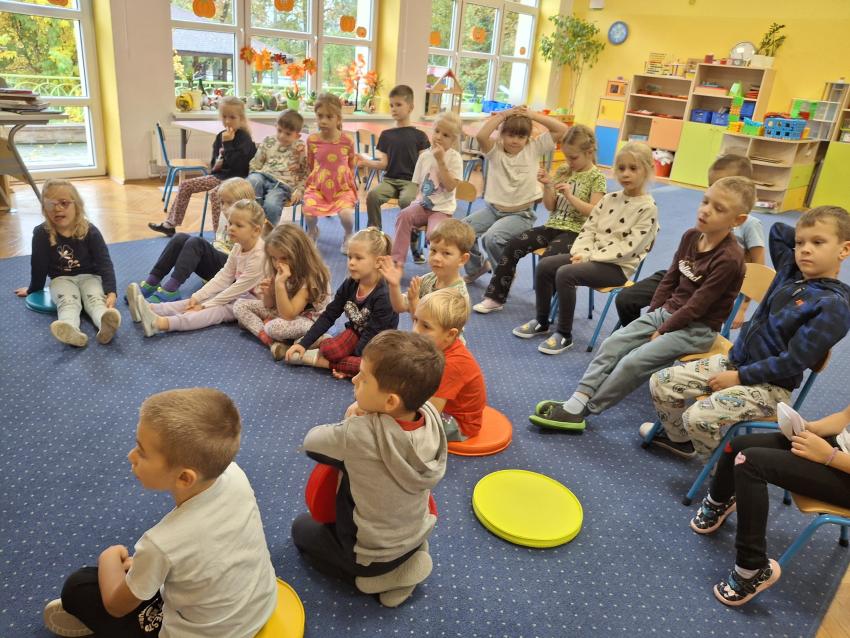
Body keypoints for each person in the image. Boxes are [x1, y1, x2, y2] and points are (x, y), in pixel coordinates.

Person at [43, 388, 277, 637]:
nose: (131, 456)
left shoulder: (161, 543)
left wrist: (108, 557)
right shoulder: (235, 475)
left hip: (204, 633)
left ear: (184, 478)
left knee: (78, 586)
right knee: (141, 574)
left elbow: (116, 606)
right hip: (260, 605)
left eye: (141, 452)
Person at [532, 176, 755, 430]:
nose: (705, 210)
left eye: (719, 209)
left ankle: (587, 410)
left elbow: (698, 305)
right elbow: (670, 279)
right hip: (668, 313)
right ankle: (577, 400)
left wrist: (663, 329)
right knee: (613, 343)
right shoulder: (691, 236)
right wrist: (654, 315)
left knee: (634, 361)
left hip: (697, 328)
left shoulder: (729, 258)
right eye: (705, 201)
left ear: (738, 220)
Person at [646, 206, 850, 460]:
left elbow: (792, 362)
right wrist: (808, 236)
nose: (805, 249)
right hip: (736, 362)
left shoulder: (833, 306)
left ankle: (723, 470)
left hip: (770, 387)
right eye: (800, 243)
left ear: (844, 250)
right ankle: (680, 441)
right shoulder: (791, 270)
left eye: (818, 242)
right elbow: (778, 231)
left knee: (697, 416)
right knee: (661, 382)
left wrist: (740, 377)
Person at [291, 330, 446, 608]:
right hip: (417, 531)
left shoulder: (358, 434)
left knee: (301, 529)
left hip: (368, 555)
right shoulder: (431, 416)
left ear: (390, 402)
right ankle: (409, 557)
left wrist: (351, 417)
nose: (354, 380)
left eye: (363, 378)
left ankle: (375, 580)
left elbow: (311, 442)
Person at [690, 400, 850, 606]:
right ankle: (719, 502)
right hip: (836, 450)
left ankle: (751, 569)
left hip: (840, 466)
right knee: (738, 446)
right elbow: (845, 416)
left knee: (749, 462)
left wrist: (829, 456)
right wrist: (811, 429)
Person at [512, 142, 658, 355]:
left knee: (566, 273)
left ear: (648, 170)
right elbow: (589, 229)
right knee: (545, 265)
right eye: (621, 168)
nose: (626, 174)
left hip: (616, 267)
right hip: (590, 258)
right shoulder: (609, 199)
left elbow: (628, 247)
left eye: (633, 168)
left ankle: (564, 334)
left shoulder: (648, 208)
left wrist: (590, 257)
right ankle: (542, 321)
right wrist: (581, 253)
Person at [616, 154, 765, 329]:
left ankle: (648, 337)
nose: (715, 193)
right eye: (711, 186)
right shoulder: (704, 219)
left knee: (679, 320)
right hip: (686, 274)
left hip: (710, 288)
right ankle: (639, 335)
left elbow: (758, 268)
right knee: (626, 299)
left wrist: (743, 307)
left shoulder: (750, 225)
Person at [473, 124, 607, 313]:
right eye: (567, 157)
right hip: (553, 226)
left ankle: (549, 308)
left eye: (573, 157)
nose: (569, 161)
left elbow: (594, 212)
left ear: (589, 152)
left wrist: (570, 196)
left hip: (577, 232)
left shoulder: (597, 178)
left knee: (549, 260)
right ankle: (495, 297)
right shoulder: (564, 170)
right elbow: (550, 206)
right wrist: (548, 186)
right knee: (513, 245)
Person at [126, 200, 265, 336]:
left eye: (239, 225)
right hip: (241, 294)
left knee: (216, 311)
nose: (231, 228)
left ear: (256, 230)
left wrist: (204, 306)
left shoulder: (259, 255)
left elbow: (236, 289)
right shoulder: (238, 246)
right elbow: (224, 277)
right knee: (195, 302)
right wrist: (197, 298)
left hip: (256, 303)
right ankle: (150, 308)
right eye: (230, 223)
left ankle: (159, 324)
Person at [462, 106, 569, 284]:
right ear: (502, 135)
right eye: (510, 135)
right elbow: (481, 135)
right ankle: (476, 268)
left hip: (521, 215)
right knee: (463, 231)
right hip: (493, 210)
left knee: (492, 238)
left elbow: (562, 129)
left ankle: (504, 275)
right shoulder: (495, 151)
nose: (515, 141)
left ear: (527, 138)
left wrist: (532, 115)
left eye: (521, 136)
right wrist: (503, 115)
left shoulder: (534, 148)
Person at [15, 178, 120, 347]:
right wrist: (33, 289)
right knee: (68, 302)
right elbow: (38, 265)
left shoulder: (90, 231)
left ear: (76, 205)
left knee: (95, 300)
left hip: (90, 277)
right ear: (45, 209)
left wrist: (111, 291)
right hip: (61, 279)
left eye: (64, 203)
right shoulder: (41, 233)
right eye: (51, 205)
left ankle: (105, 324)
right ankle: (70, 329)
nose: (57, 208)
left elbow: (104, 263)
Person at [284, 227, 398, 378]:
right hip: (356, 333)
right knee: (330, 350)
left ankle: (316, 360)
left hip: (378, 345)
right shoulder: (350, 284)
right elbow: (329, 315)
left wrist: (352, 360)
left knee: (369, 367)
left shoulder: (383, 295)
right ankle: (329, 358)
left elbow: (373, 336)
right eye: (350, 257)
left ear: (378, 262)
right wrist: (303, 344)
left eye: (358, 258)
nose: (351, 263)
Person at [135, 177, 256, 303]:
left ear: (246, 203)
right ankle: (152, 281)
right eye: (222, 203)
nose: (224, 208)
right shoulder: (226, 217)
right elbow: (220, 242)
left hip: (232, 273)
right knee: (180, 238)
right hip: (218, 266)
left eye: (229, 203)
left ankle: (171, 290)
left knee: (197, 243)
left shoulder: (250, 224)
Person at [150, 96, 256, 237]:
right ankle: (170, 224)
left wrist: (228, 144)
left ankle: (219, 236)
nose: (227, 121)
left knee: (216, 194)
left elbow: (239, 166)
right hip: (219, 177)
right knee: (186, 185)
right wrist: (219, 160)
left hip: (237, 180)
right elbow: (214, 165)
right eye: (224, 117)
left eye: (232, 117)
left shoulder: (244, 138)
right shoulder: (220, 136)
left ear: (241, 118)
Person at [233, 223, 331, 360]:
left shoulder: (311, 278)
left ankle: (310, 339)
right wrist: (268, 293)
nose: (278, 263)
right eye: (274, 258)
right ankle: (273, 343)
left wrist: (279, 285)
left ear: (300, 254)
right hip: (285, 312)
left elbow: (288, 315)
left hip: (310, 321)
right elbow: (269, 305)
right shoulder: (278, 269)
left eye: (284, 258)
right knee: (239, 305)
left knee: (274, 327)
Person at [361, 84, 431, 262]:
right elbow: (383, 164)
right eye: (391, 105)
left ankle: (414, 245)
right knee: (373, 195)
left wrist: (423, 186)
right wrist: (365, 162)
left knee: (407, 201)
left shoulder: (420, 136)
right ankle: (376, 239)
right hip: (390, 180)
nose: (394, 109)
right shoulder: (386, 135)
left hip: (410, 182)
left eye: (398, 104)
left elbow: (425, 164)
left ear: (411, 107)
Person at [389, 112, 463, 266]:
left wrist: (440, 161)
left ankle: (438, 266)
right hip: (422, 205)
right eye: (437, 131)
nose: (439, 137)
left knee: (434, 235)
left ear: (453, 139)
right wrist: (413, 204)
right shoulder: (424, 156)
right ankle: (396, 262)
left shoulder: (454, 158)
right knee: (404, 216)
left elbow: (450, 186)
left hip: (442, 209)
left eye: (445, 135)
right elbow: (417, 185)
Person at [413, 289, 486, 441]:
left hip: (459, 423)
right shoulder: (438, 346)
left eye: (425, 326)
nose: (415, 330)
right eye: (415, 320)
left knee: (400, 422)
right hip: (441, 404)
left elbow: (431, 413)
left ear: (450, 334)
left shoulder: (451, 365)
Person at [379, 218, 474, 316]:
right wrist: (394, 285)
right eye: (433, 250)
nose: (436, 258)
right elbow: (400, 307)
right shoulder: (428, 279)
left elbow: (426, 324)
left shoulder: (457, 297)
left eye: (446, 253)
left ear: (462, 259)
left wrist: (414, 302)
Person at [302, 93, 358, 254]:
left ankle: (348, 235)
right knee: (308, 212)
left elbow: (351, 164)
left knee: (346, 215)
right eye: (320, 116)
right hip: (318, 187)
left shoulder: (347, 141)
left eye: (329, 117)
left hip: (342, 188)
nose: (323, 121)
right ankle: (313, 232)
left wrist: (348, 183)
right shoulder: (312, 140)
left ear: (338, 119)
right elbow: (310, 164)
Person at [247, 109, 308, 225]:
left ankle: (269, 231)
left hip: (282, 185)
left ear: (297, 135)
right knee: (253, 180)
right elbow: (256, 163)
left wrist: (300, 190)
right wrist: (253, 174)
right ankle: (255, 220)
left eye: (288, 134)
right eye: (279, 130)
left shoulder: (299, 147)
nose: (282, 136)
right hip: (263, 175)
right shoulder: (268, 140)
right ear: (276, 126)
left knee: (272, 205)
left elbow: (305, 172)